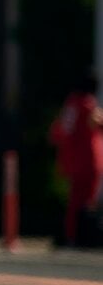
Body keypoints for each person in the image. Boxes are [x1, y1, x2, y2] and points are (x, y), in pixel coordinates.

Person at [48, 73, 103, 248]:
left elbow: (60, 131)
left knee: (74, 200)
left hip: (73, 159)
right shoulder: (87, 104)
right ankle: (81, 236)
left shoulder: (71, 104)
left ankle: (71, 235)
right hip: (88, 159)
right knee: (86, 201)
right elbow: (96, 121)